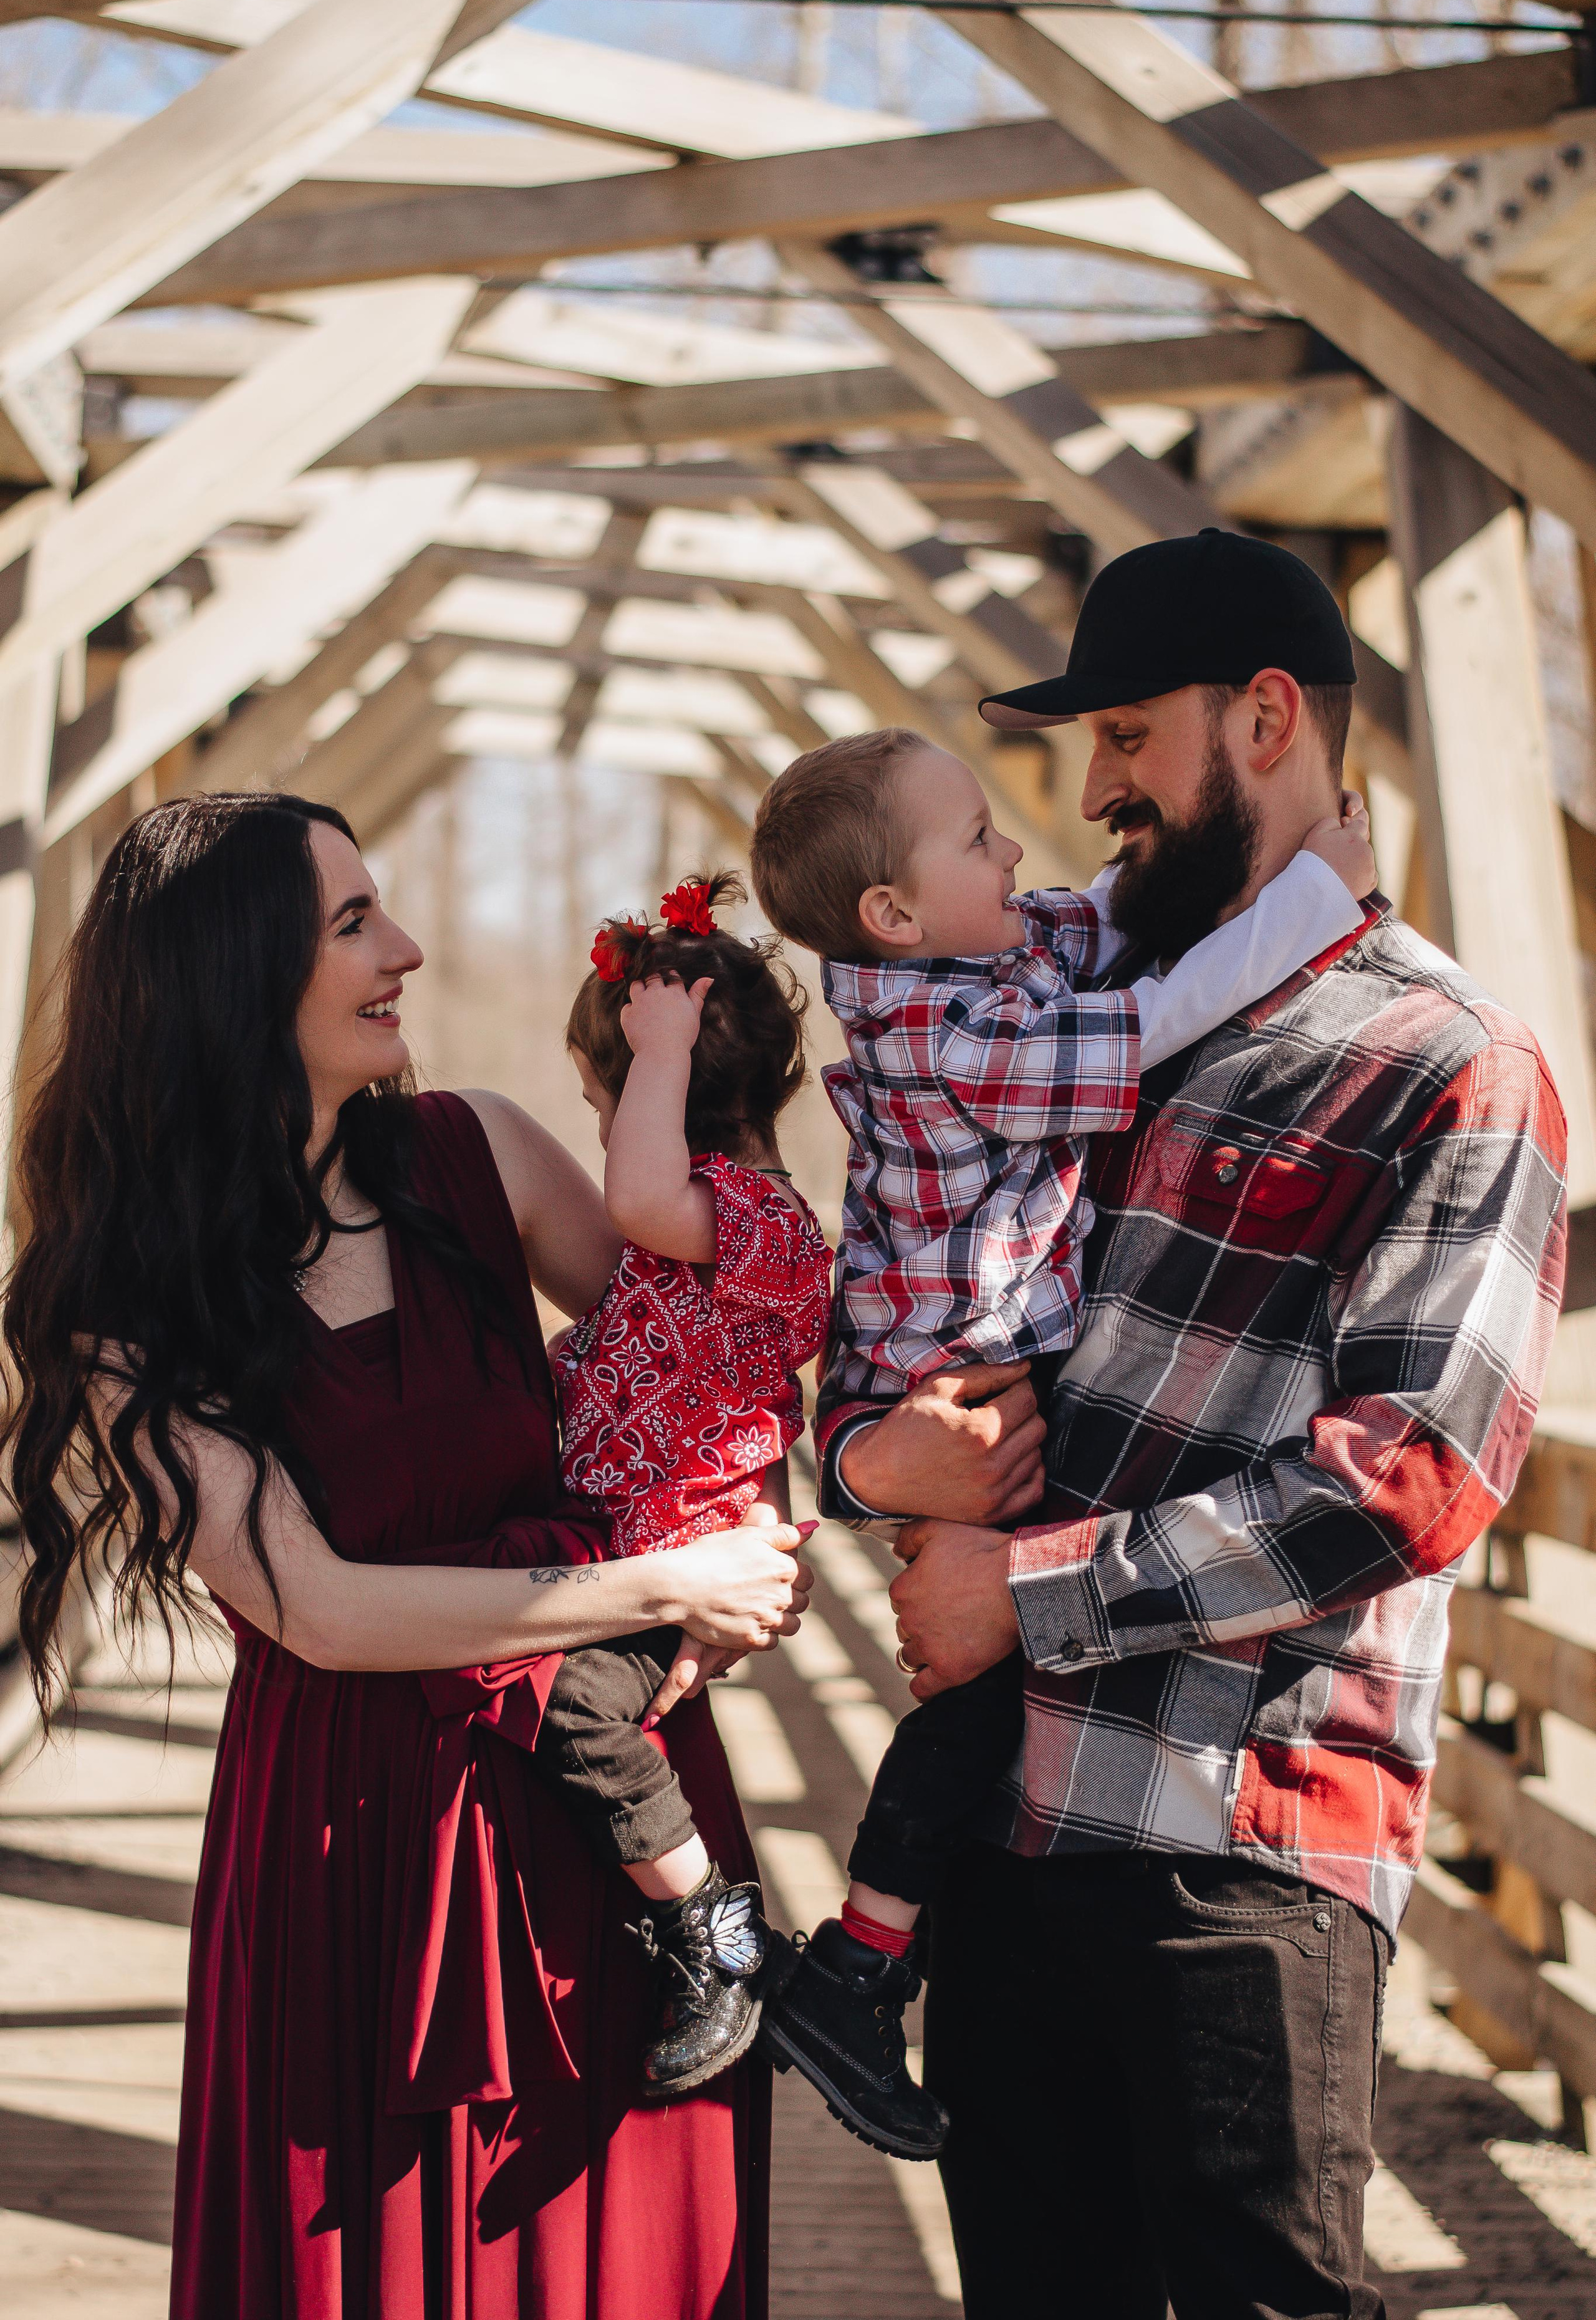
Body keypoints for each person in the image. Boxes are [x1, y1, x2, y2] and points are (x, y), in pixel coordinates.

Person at [812, 529, 1569, 2320]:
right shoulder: (1064, 1021)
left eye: (1129, 737)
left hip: (1239, 1848)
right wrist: (862, 1456)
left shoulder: (1452, 1059)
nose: (1091, 794)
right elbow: (888, 1319)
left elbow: (1411, 1480)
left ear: (1267, 717)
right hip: (1010, 1836)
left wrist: (1032, 1597)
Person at [4, 792, 812, 2320]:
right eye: (354, 924)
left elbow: (707, 1350)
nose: (411, 950)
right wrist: (661, 1585)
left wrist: (768, 1515)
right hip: (352, 1841)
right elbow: (318, 1607)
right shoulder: (123, 1300)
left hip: (618, 1820)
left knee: (631, 2256)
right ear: (235, 973)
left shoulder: (481, 1151)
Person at [743, 723, 1376, 2159]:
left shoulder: (977, 951)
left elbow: (1099, 920)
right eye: (973, 839)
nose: (1015, 847)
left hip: (984, 1350)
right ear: (891, 917)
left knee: (992, 1674)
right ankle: (857, 1962)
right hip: (958, 1372)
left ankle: (865, 1956)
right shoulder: (948, 1032)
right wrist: (1314, 900)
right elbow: (1149, 1023)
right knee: (983, 1684)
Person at [538, 871, 832, 2097]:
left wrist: (650, 1047)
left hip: (681, 1562)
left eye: (606, 1099)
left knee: (577, 1715)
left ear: (670, 1092)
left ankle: (718, 1936)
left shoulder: (755, 1223)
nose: (605, 1126)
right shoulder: (695, 1245)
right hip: (638, 1549)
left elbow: (636, 1192)